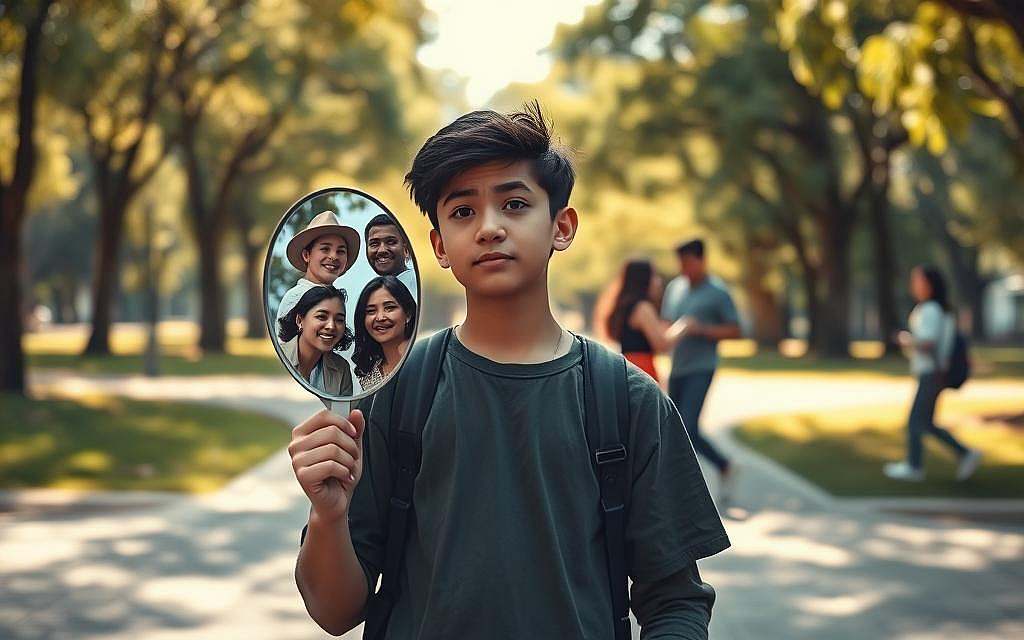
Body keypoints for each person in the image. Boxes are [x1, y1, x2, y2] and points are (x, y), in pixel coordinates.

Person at [288, 102, 729, 638]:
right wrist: (327, 516)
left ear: (561, 227)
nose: (490, 228)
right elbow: (335, 612)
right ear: (438, 245)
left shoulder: (629, 399)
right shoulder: (394, 391)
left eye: (515, 204)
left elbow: (675, 603)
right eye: (462, 212)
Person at [884, 265, 982, 482]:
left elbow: (928, 343)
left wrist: (906, 340)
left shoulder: (930, 310)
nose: (913, 285)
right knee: (925, 422)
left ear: (928, 284)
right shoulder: (941, 310)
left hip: (931, 372)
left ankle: (914, 466)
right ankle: (964, 453)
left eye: (917, 280)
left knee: (915, 421)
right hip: (936, 372)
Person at [661, 239, 741, 498]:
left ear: (701, 260)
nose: (683, 268)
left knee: (688, 426)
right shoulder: (675, 288)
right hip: (678, 367)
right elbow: (666, 324)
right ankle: (724, 466)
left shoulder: (717, 292)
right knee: (676, 427)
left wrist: (703, 330)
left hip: (702, 367)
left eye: (687, 262)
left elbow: (735, 330)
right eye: (680, 262)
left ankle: (700, 479)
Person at [595, 258, 689, 381]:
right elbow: (662, 344)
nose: (658, 281)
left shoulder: (625, 306)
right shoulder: (643, 308)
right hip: (642, 369)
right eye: (654, 276)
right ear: (643, 280)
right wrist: (685, 325)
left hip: (626, 367)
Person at [276, 210, 361, 322]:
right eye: (325, 249)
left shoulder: (336, 299)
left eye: (340, 251)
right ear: (306, 255)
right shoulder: (296, 297)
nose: (333, 257)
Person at [278, 285, 354, 398]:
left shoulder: (341, 368)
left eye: (339, 320)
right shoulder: (278, 357)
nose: (331, 326)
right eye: (322, 317)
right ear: (299, 320)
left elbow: (342, 413)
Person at [351, 275, 416, 390]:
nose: (380, 317)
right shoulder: (367, 376)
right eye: (371, 311)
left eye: (389, 308)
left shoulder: (427, 358)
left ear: (408, 314)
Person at [363, 213, 418, 300]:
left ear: (406, 250)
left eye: (391, 242)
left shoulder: (421, 287)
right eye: (374, 244)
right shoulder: (370, 294)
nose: (382, 250)